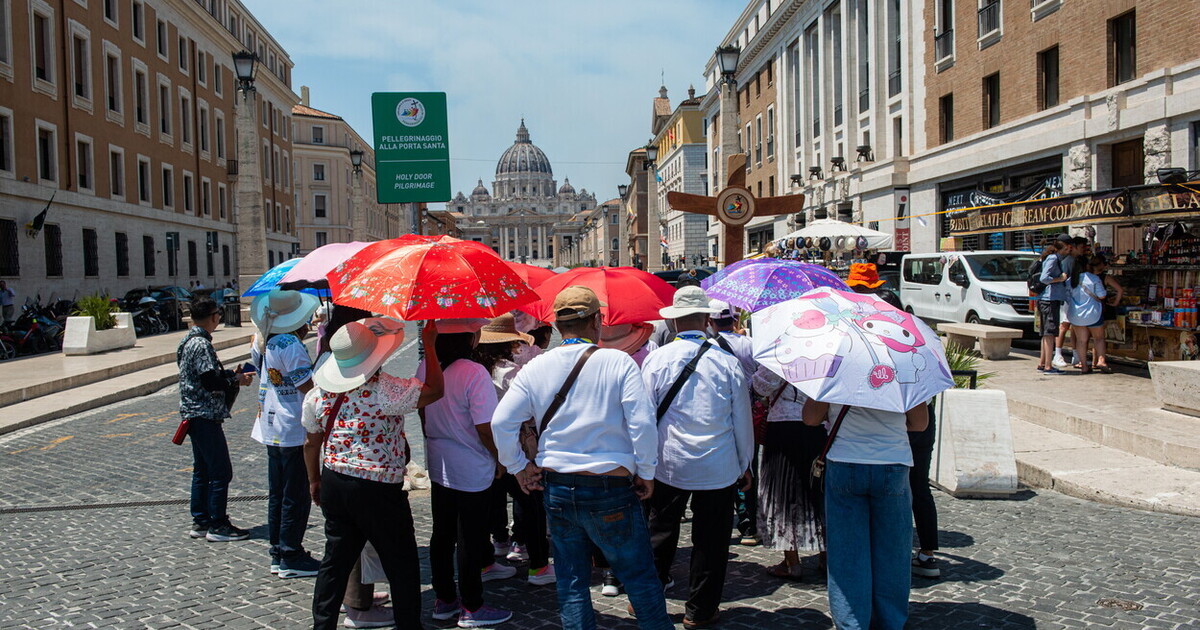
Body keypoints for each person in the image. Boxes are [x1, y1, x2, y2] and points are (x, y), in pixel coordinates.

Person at [491, 286, 671, 630]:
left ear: (558, 326)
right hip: (610, 484)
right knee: (638, 576)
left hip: (558, 486)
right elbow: (642, 423)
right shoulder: (617, 361)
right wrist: (646, 471)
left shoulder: (536, 367)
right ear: (597, 321)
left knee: (572, 581)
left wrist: (518, 467)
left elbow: (502, 422)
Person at [304, 318, 443, 630]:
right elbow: (435, 390)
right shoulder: (387, 390)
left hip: (335, 479)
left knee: (335, 562)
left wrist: (314, 479)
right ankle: (408, 625)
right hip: (377, 486)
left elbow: (311, 442)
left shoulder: (317, 395)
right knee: (400, 562)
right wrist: (430, 346)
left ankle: (322, 625)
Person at [642, 286, 753, 628]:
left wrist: (642, 465)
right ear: (706, 320)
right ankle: (700, 610)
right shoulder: (727, 363)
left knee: (659, 532)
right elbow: (741, 420)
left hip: (668, 461)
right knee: (711, 540)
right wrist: (745, 463)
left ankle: (647, 601)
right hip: (717, 463)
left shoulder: (657, 359)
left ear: (674, 322)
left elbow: (643, 418)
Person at [420, 318, 515, 628]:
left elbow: (422, 412)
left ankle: (445, 599)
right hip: (471, 465)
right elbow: (485, 427)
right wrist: (501, 458)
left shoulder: (425, 367)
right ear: (470, 339)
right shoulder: (473, 372)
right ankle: (472, 606)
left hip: (440, 462)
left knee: (442, 534)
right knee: (470, 537)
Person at [803, 398, 930, 630]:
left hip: (845, 459)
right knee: (893, 552)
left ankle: (852, 623)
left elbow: (810, 418)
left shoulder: (834, 373)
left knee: (846, 553)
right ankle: (890, 622)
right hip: (892, 460)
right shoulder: (904, 374)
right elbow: (920, 423)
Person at [475, 313, 556, 586]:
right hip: (514, 445)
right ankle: (539, 566)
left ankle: (488, 558)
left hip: (482, 446)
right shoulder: (509, 372)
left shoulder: (477, 368)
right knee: (531, 503)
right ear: (509, 342)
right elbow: (529, 407)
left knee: (488, 503)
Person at [249, 289, 322, 578]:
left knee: (278, 493)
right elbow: (306, 385)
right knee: (295, 493)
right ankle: (291, 553)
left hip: (271, 423)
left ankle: (278, 550)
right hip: (292, 425)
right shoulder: (289, 343)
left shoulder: (264, 341)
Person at [177, 298, 254, 542]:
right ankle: (218, 524)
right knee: (221, 471)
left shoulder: (187, 341)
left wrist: (229, 374)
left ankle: (201, 521)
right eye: (218, 314)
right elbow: (210, 381)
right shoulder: (201, 344)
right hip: (204, 414)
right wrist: (235, 380)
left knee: (202, 470)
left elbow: (205, 375)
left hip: (193, 414)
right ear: (213, 317)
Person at [752, 366, 825, 579]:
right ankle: (826, 557)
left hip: (783, 427)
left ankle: (792, 563)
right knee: (818, 492)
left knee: (783, 495)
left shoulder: (781, 354)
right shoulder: (826, 353)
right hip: (818, 425)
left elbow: (760, 386)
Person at [709, 300, 759, 546]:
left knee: (724, 465)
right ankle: (749, 523)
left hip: (723, 413)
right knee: (748, 464)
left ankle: (723, 516)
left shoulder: (709, 348)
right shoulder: (750, 344)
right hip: (750, 410)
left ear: (710, 322)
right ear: (734, 319)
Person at [909, 401, 940, 578]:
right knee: (920, 487)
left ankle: (892, 550)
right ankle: (927, 554)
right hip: (922, 411)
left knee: (891, 487)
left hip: (895, 414)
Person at [1067, 255, 1110, 375]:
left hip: (1076, 314)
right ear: (1087, 265)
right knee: (1099, 338)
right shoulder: (1094, 278)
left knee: (1081, 341)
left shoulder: (1070, 280)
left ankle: (1084, 366)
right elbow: (1102, 295)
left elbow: (1066, 296)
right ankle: (1101, 361)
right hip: (1093, 313)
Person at [1037, 240, 1070, 374]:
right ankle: (1048, 366)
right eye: (1066, 249)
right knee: (1050, 333)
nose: (1068, 251)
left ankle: (1042, 364)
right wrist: (1060, 279)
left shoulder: (1054, 258)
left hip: (1050, 299)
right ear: (1060, 249)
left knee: (1046, 334)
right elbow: (1044, 278)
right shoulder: (1053, 258)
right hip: (1049, 300)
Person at [1052, 234, 1078, 369]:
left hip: (1072, 297)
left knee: (1074, 326)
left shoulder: (1070, 259)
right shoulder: (1067, 260)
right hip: (1067, 297)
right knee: (1064, 325)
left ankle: (1076, 355)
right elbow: (1064, 279)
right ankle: (1057, 354)